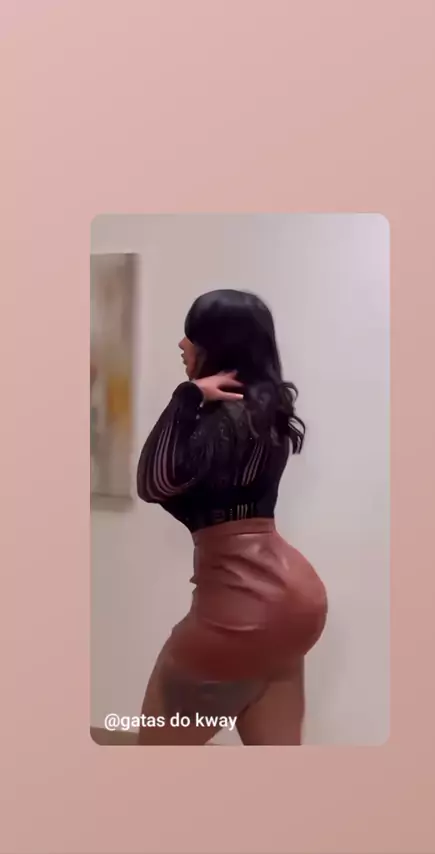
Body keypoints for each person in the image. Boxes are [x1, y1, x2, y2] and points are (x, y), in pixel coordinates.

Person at [136, 289, 328, 745]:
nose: (182, 344)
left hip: (240, 606)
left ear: (218, 346)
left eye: (193, 335)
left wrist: (185, 397)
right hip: (295, 606)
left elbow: (153, 482)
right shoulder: (266, 416)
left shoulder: (222, 420)